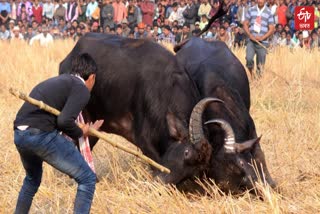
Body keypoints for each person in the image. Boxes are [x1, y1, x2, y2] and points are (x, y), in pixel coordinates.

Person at [13, 53, 104, 214]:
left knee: (32, 180)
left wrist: (82, 129)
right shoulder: (81, 89)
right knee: (87, 179)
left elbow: (60, 118)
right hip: (39, 135)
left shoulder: (59, 81)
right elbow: (64, 121)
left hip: (20, 134)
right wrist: (82, 131)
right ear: (92, 77)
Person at [243, 0, 275, 78]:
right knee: (249, 58)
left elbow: (271, 28)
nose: (260, 1)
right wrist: (250, 35)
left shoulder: (269, 12)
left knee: (260, 65)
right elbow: (245, 24)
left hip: (262, 42)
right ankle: (252, 75)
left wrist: (262, 37)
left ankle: (258, 81)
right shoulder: (251, 10)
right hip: (251, 41)